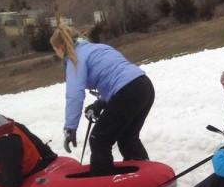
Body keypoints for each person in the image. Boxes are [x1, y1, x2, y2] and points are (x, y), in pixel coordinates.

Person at [49, 25, 155, 175]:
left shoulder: (74, 58)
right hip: (143, 86)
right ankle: (146, 178)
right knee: (127, 137)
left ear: (60, 48)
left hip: (127, 92)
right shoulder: (98, 48)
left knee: (99, 139)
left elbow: (74, 94)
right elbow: (114, 76)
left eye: (54, 49)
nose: (56, 53)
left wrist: (70, 128)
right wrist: (100, 104)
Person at [0, 100, 58, 187]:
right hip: (28, 165)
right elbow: (44, 150)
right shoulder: (6, 126)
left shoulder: (4, 144)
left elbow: (13, 183)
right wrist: (49, 158)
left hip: (26, 174)